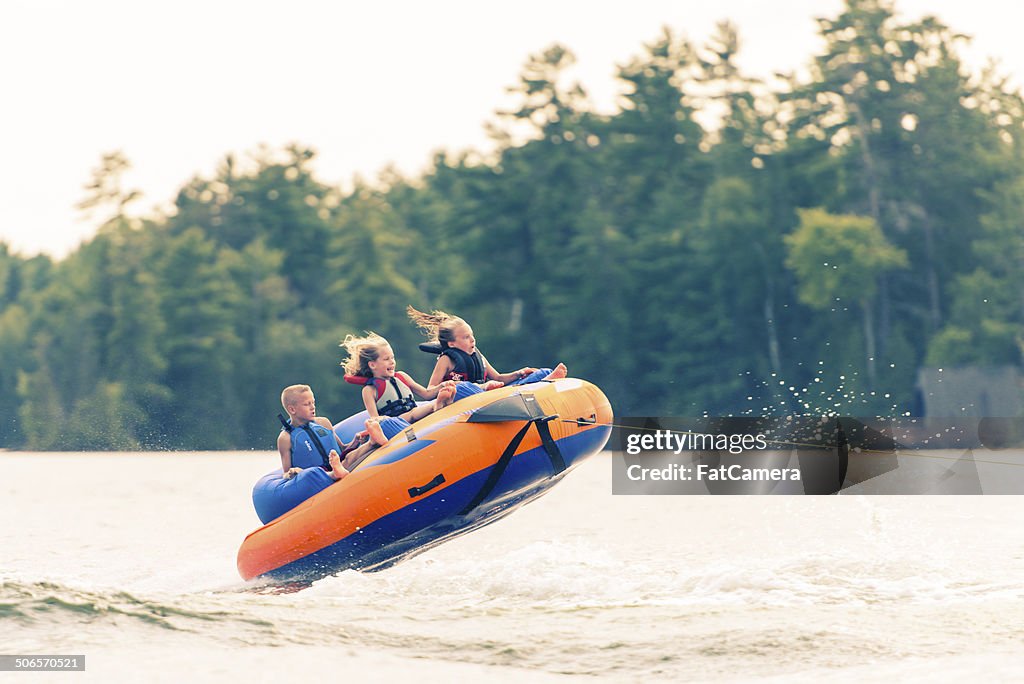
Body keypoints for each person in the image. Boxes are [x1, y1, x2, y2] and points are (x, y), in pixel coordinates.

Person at [406, 305, 567, 394]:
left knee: (542, 371)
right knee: (463, 388)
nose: (472, 340)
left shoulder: (477, 355)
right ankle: (482, 389)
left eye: (472, 335)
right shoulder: (446, 360)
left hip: (486, 395)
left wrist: (519, 373)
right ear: (452, 344)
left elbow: (498, 377)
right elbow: (430, 390)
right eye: (466, 337)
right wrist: (446, 385)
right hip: (462, 399)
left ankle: (546, 380)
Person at [341, 333, 457, 439]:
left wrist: (442, 385)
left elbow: (426, 394)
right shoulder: (370, 390)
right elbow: (374, 418)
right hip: (395, 423)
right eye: (386, 359)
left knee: (415, 412)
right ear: (372, 365)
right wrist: (383, 420)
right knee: (414, 413)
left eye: (392, 358)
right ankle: (437, 406)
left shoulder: (402, 377)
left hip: (415, 414)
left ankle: (441, 405)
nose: (392, 362)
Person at [277, 384, 385, 479]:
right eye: (307, 404)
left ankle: (372, 442)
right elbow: (286, 472)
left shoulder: (323, 423)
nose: (312, 407)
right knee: (311, 473)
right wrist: (294, 473)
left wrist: (356, 441)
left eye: (313, 402)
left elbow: (342, 449)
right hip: (316, 475)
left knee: (348, 457)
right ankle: (334, 473)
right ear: (292, 410)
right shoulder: (285, 438)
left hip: (339, 464)